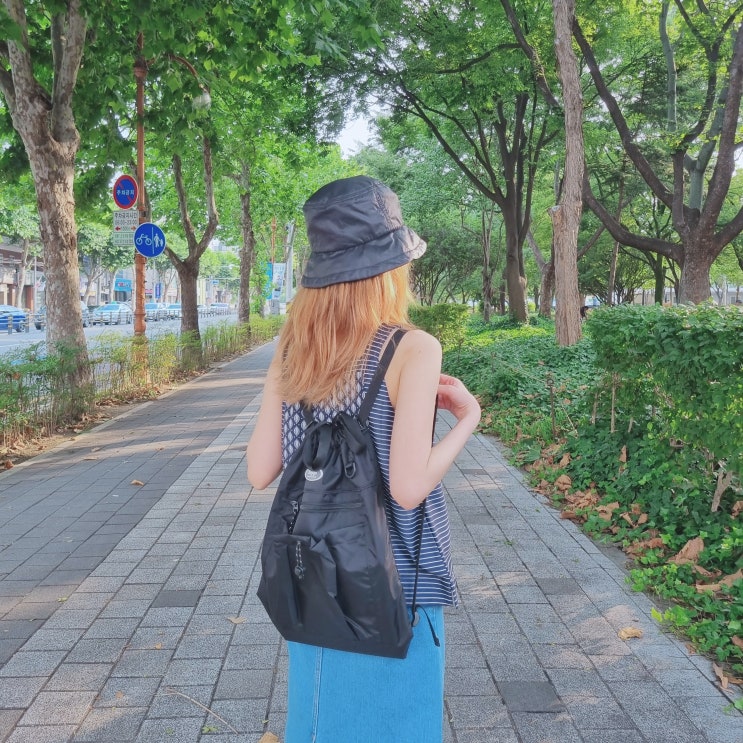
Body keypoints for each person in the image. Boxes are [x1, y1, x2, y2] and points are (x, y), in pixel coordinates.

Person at [247, 175, 481, 743]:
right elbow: (408, 488)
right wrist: (468, 420)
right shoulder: (412, 348)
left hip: (313, 578)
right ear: (389, 269)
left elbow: (259, 471)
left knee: (318, 721)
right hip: (393, 584)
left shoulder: (291, 350)